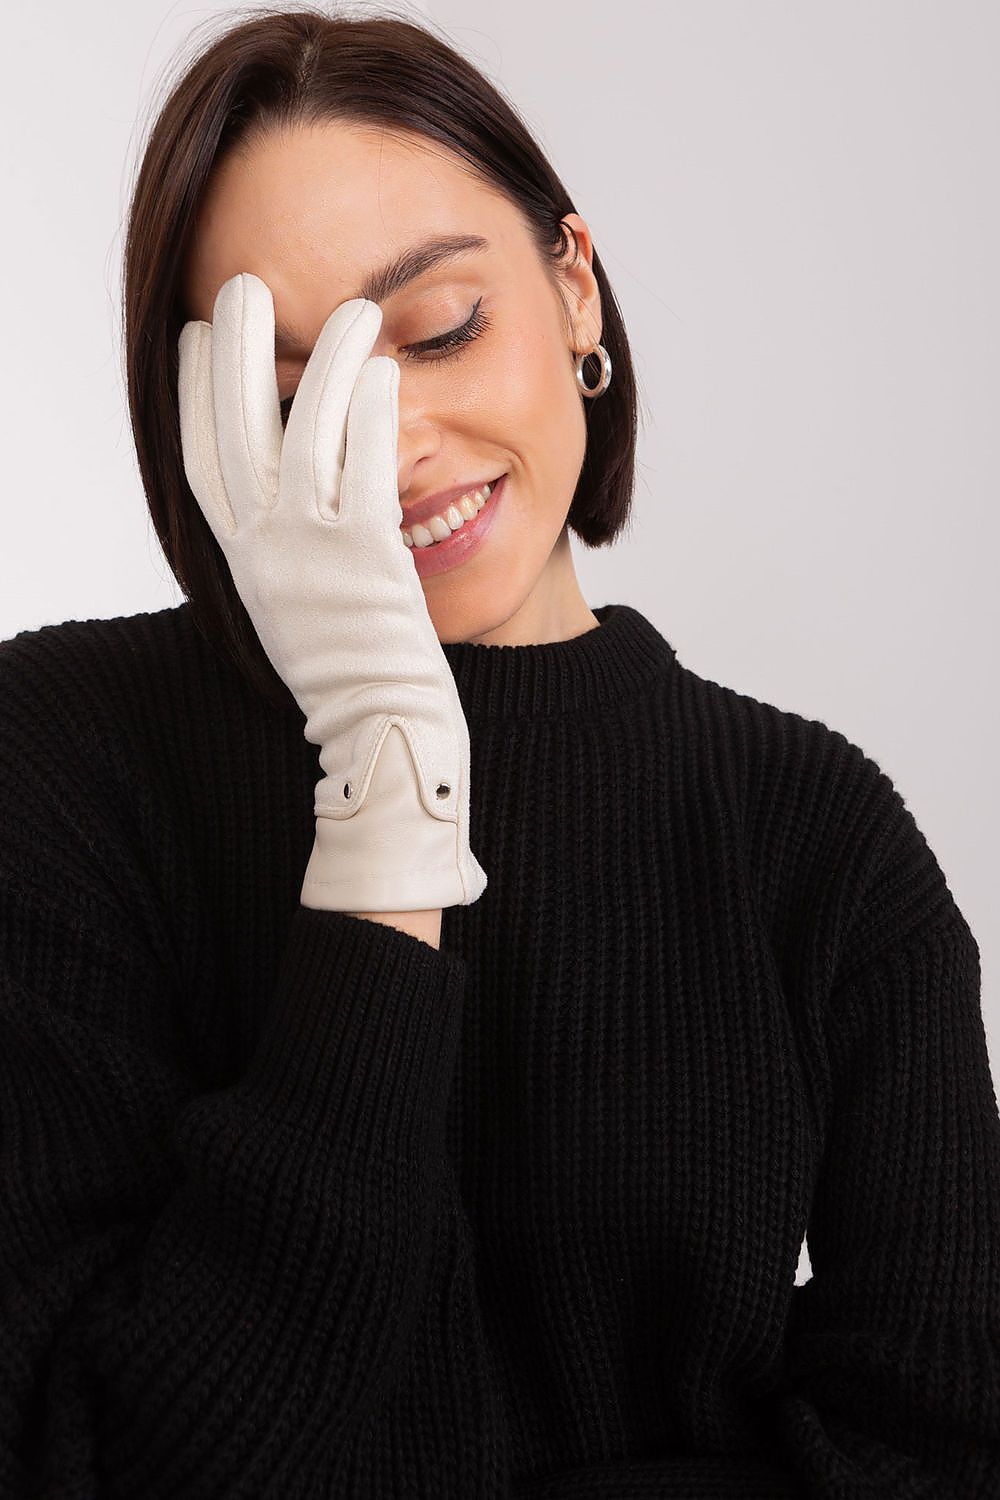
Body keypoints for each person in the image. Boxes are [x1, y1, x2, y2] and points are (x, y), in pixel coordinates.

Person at [1, 9, 997, 1498]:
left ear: (574, 290)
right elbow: (96, 1456)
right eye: (291, 400)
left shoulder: (818, 836)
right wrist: (385, 805)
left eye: (441, 327)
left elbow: (937, 1451)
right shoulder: (58, 758)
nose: (388, 444)